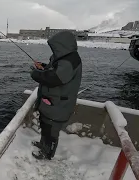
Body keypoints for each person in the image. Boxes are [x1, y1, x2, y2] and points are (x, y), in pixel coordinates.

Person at [30, 31, 82, 160]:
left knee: (51, 132)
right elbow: (54, 70)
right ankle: (43, 145)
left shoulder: (70, 60)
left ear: (61, 45)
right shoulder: (63, 57)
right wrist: (43, 67)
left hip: (59, 105)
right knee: (45, 126)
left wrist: (36, 74)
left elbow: (56, 78)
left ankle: (47, 154)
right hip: (52, 103)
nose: (53, 49)